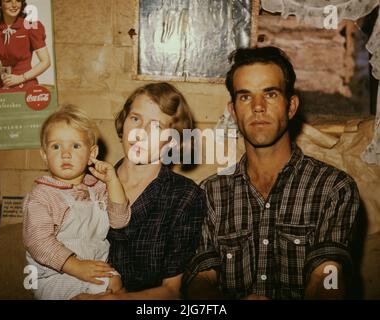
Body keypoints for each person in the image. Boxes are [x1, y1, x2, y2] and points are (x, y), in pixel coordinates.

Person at [182, 46, 360, 300]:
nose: (257, 107)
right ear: (233, 111)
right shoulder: (209, 193)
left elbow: (328, 274)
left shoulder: (334, 187)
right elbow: (201, 279)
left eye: (271, 94)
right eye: (245, 97)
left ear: (291, 106)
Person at [73, 82, 206, 300]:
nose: (141, 133)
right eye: (135, 119)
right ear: (123, 122)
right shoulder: (87, 184)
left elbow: (172, 291)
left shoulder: (185, 196)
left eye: (156, 127)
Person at [23, 105, 130, 300]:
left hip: (90, 268)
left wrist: (112, 181)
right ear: (45, 155)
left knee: (116, 284)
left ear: (92, 154)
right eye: (56, 146)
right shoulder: (42, 196)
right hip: (52, 275)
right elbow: (38, 242)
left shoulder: (97, 189)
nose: (65, 153)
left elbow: (119, 221)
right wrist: (76, 266)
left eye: (75, 146)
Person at [0, 0, 51, 93]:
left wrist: (21, 78)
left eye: (18, 1)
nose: (14, 5)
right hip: (2, 83)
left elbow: (46, 61)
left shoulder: (31, 27)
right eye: (9, 1)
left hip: (25, 83)